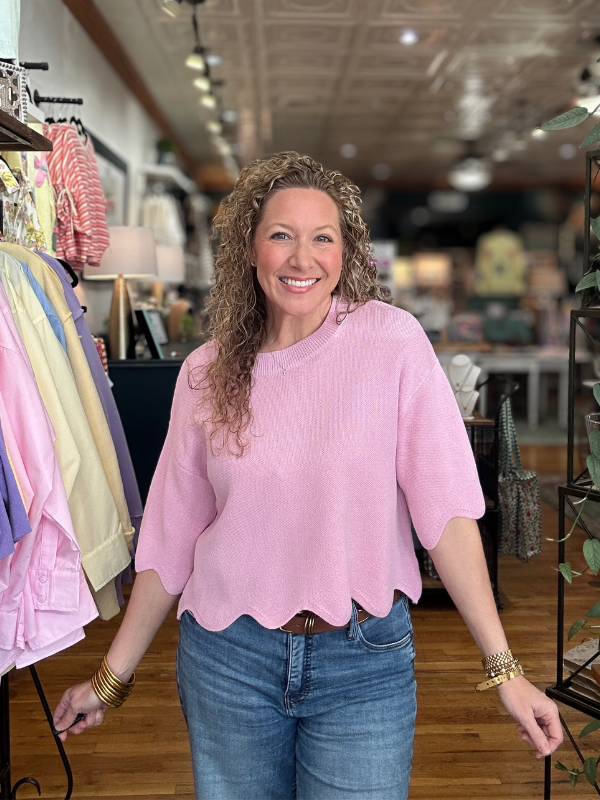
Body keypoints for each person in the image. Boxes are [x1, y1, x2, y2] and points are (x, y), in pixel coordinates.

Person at [53, 151, 562, 800]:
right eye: (281, 235)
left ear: (346, 252)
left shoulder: (393, 343)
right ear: (250, 248)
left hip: (365, 661)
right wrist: (110, 679)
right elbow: (171, 536)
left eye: (323, 237)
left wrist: (505, 668)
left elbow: (446, 513)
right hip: (228, 660)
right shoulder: (207, 372)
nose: (302, 258)